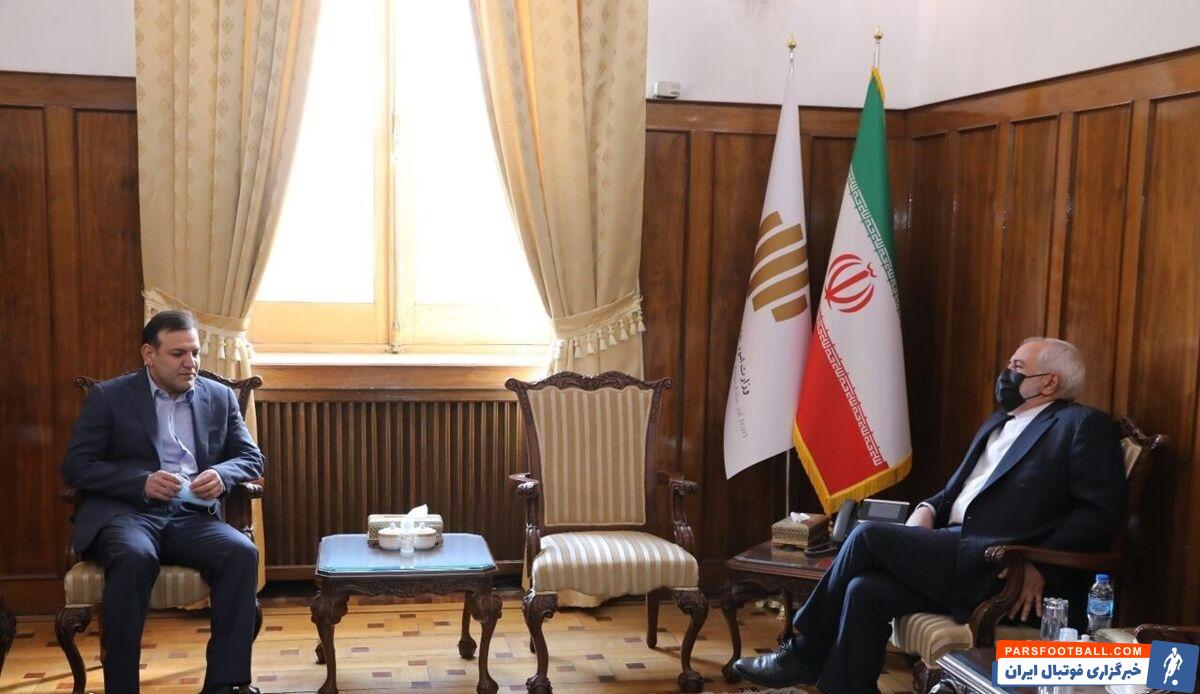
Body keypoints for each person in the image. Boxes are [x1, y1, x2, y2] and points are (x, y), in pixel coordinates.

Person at [733, 337, 1126, 693]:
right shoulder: (998, 423)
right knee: (864, 590)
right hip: (950, 549)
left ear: (1050, 382)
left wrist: (1040, 565)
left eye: (1017, 367)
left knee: (868, 536)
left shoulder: (1082, 425)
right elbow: (958, 492)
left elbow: (1100, 512)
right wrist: (926, 508)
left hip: (997, 566)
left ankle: (803, 651)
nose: (1006, 374)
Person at [61, 310, 265, 694]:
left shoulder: (218, 396)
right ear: (149, 354)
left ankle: (225, 686)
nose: (191, 363)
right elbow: (76, 466)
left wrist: (222, 474)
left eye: (195, 352)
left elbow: (251, 457)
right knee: (135, 556)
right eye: (178, 354)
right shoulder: (110, 397)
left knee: (241, 552)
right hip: (128, 515)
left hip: (191, 517)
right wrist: (141, 482)